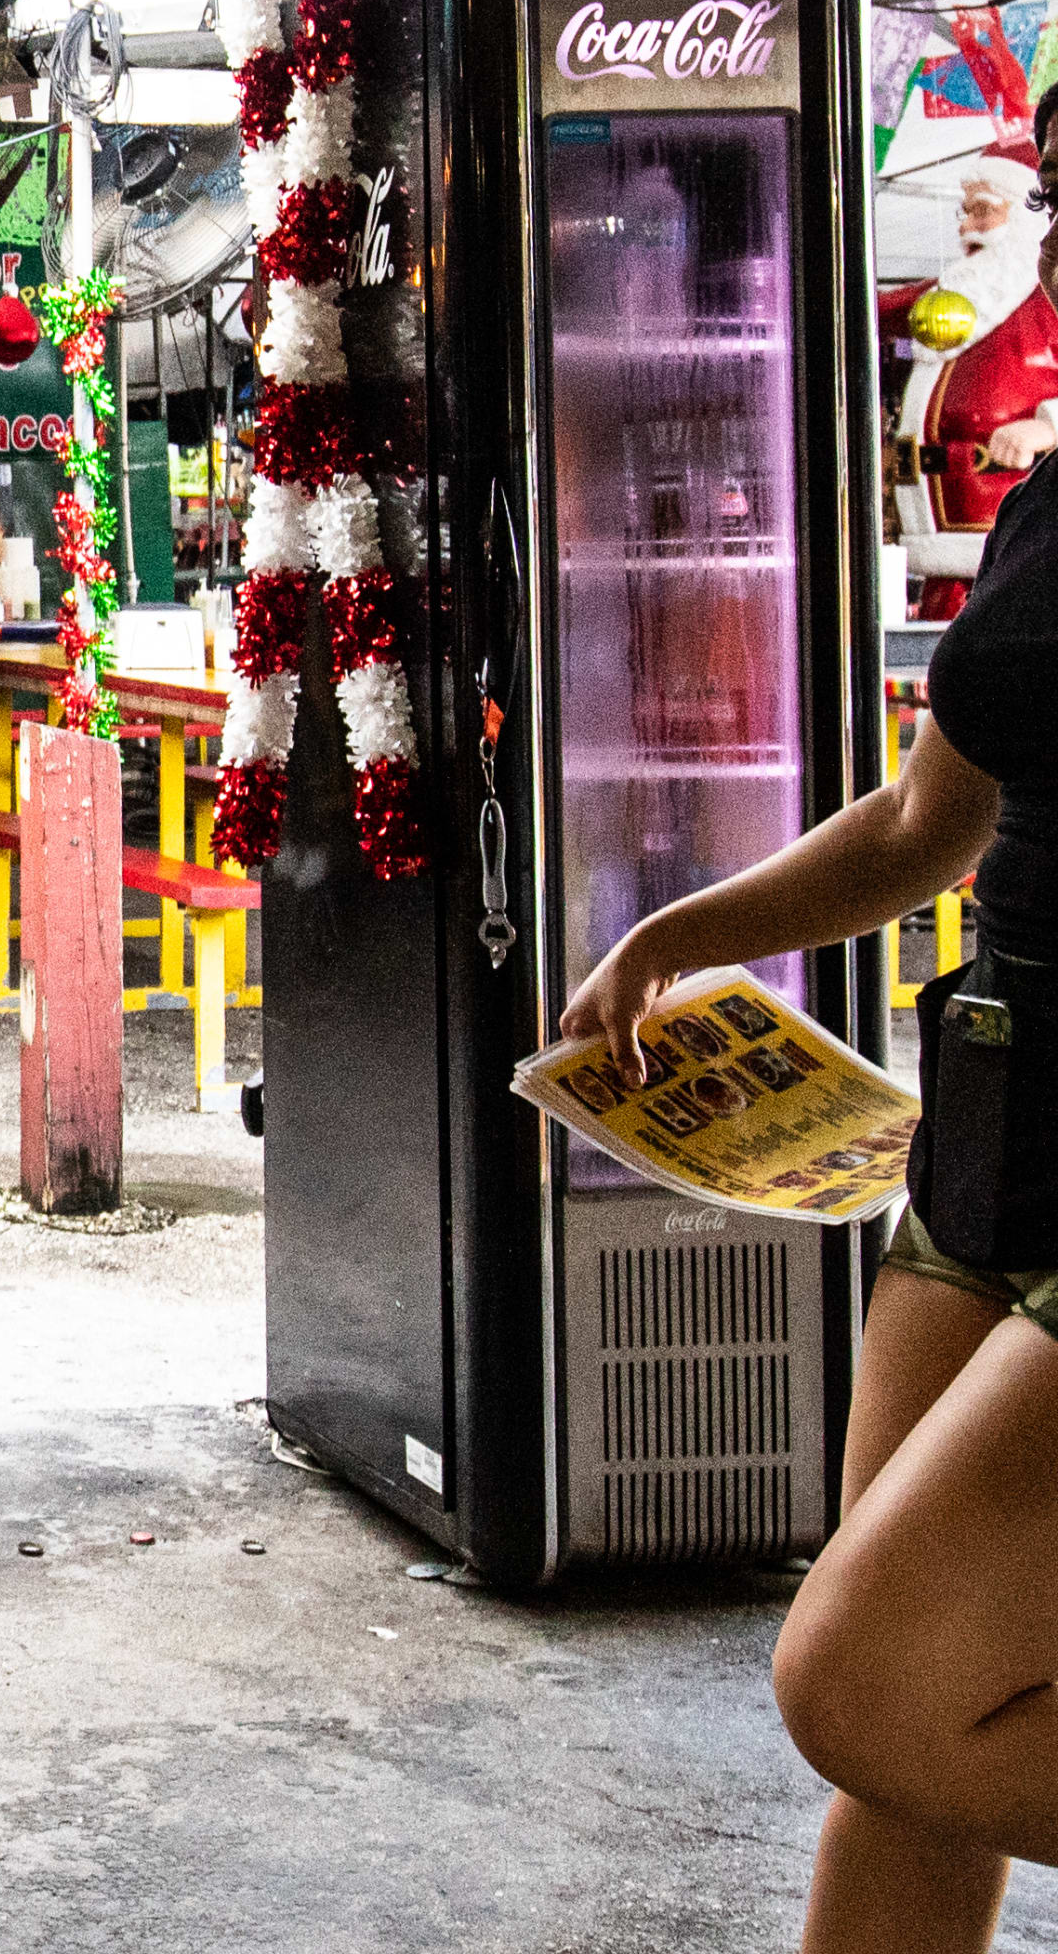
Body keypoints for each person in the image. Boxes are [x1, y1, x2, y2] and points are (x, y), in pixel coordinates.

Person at [567, 129, 1058, 1954]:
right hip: (998, 1113)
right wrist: (684, 937)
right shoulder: (1044, 505)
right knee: (914, 1738)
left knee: (867, 1683)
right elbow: (928, 826)